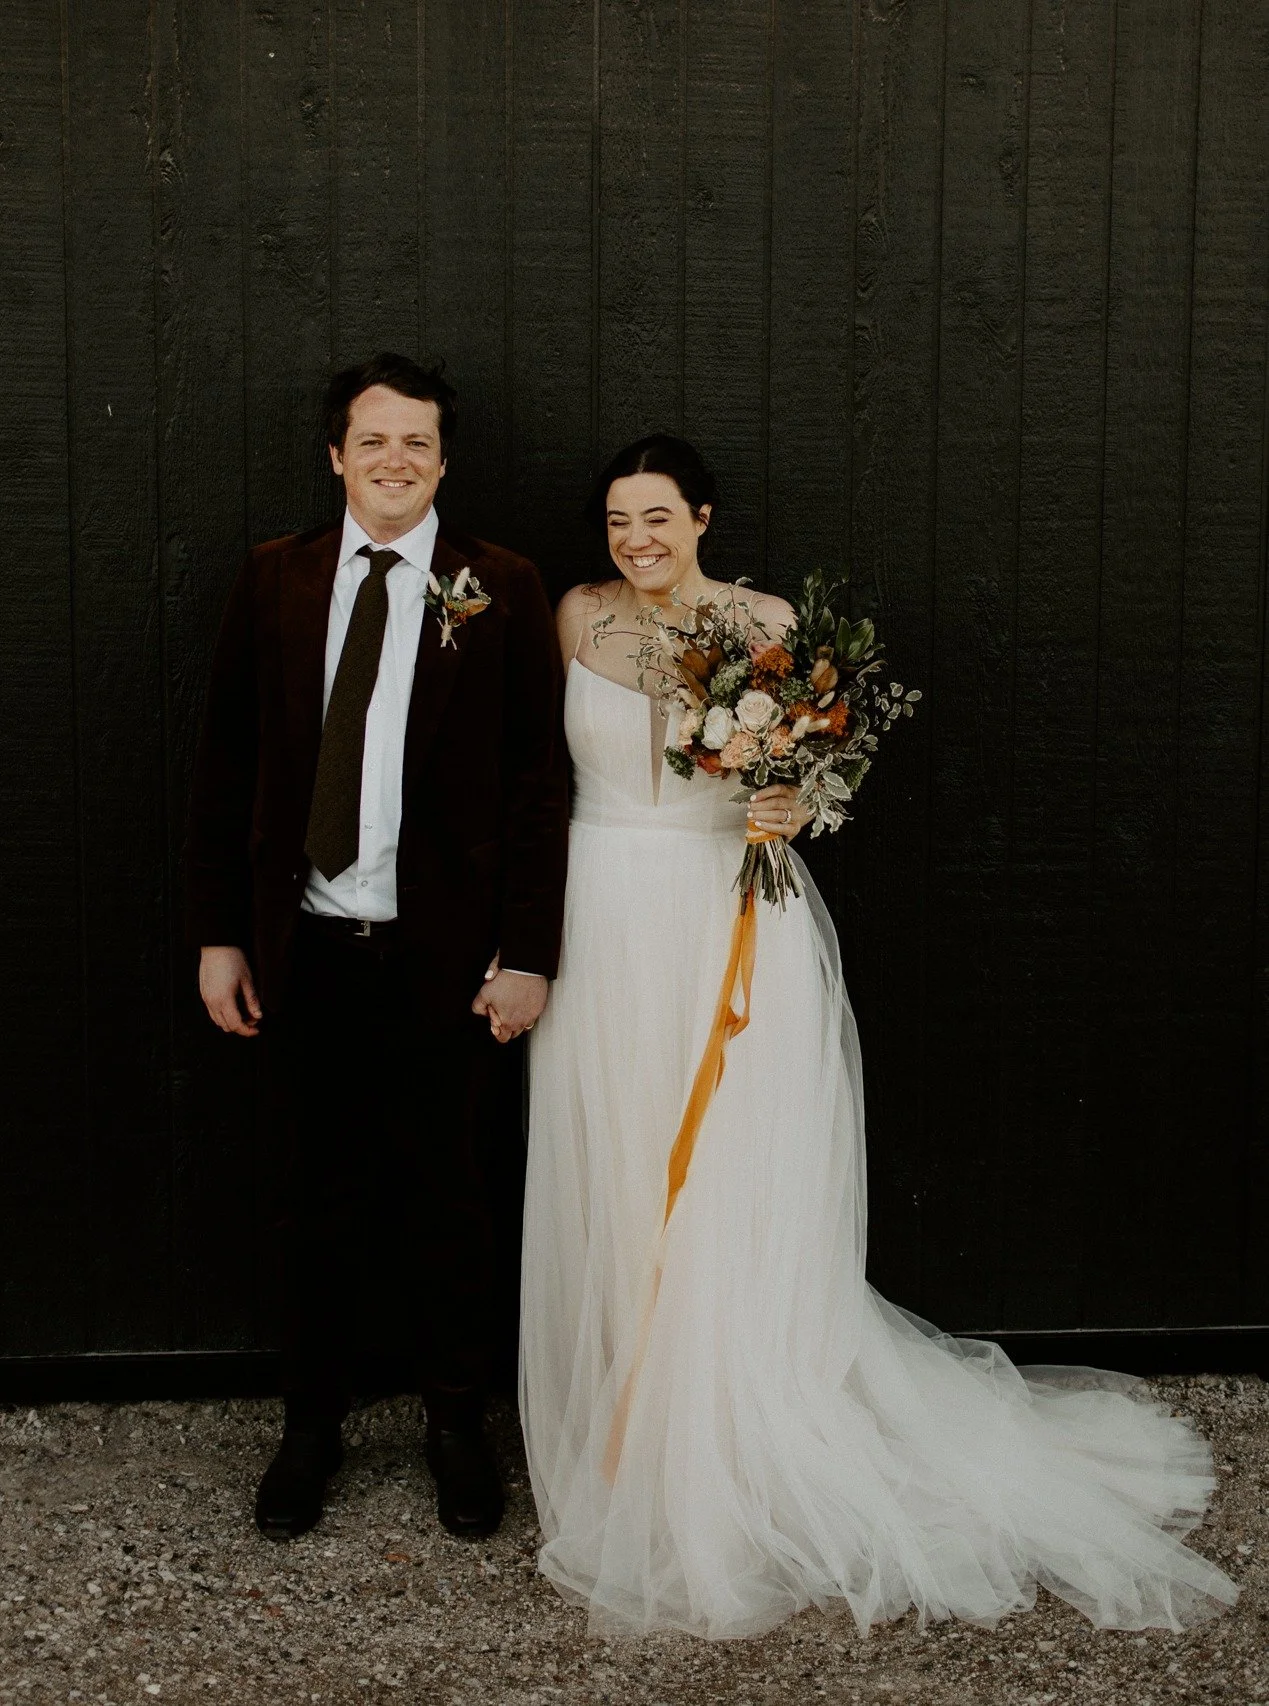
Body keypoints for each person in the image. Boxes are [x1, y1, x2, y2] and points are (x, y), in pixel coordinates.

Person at [518, 432, 1238, 1638]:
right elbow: (534, 772)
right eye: (616, 520)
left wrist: (792, 795)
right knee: (619, 1160)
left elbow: (809, 779)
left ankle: (727, 1430)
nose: (636, 540)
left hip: (722, 918)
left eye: (658, 517)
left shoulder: (765, 622)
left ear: (702, 516)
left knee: (729, 1178)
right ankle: (625, 1412)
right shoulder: (574, 615)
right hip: (601, 921)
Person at [185, 353, 568, 1541]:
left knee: (451, 1198)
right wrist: (218, 935)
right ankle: (311, 1427)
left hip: (445, 963)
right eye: (374, 440)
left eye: (418, 443)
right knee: (315, 1201)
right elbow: (226, 765)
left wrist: (527, 952)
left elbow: (535, 785)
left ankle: (459, 1424)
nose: (394, 460)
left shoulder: (496, 583)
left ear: (443, 460)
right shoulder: (275, 577)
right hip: (307, 945)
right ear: (337, 453)